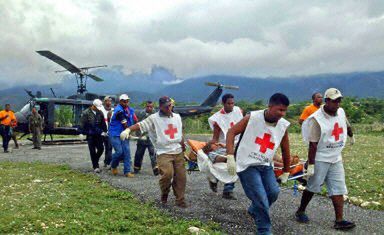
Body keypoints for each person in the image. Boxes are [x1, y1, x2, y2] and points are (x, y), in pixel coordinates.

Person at [226, 93, 292, 235]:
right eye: (279, 109)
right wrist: (230, 156)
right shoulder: (252, 118)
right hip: (247, 164)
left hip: (265, 164)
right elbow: (231, 133)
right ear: (270, 106)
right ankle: (264, 230)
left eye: (285, 110)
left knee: (273, 193)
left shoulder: (282, 126)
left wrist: (286, 171)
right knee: (260, 198)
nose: (282, 113)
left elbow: (286, 149)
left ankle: (254, 209)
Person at [296, 88, 356, 230]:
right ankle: (300, 210)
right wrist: (311, 165)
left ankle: (339, 220)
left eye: (339, 100)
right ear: (327, 101)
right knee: (313, 186)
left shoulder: (340, 112)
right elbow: (313, 144)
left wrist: (351, 135)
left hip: (336, 157)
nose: (337, 104)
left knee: (338, 187)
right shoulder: (317, 119)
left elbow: (345, 124)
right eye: (334, 101)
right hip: (321, 157)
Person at [120, 96, 187, 208]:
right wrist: (128, 129)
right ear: (160, 107)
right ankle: (165, 192)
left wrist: (183, 145)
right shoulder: (154, 118)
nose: (169, 108)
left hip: (177, 150)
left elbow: (180, 133)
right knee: (167, 174)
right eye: (166, 106)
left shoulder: (177, 117)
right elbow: (140, 125)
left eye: (170, 105)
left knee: (181, 177)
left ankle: (180, 200)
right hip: (163, 151)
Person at [208, 93, 243, 200]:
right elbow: (215, 138)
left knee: (237, 160)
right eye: (229, 103)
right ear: (223, 103)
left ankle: (225, 188)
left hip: (238, 144)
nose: (231, 105)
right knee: (230, 160)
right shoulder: (217, 119)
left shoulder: (238, 111)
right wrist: (209, 147)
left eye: (233, 103)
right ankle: (225, 187)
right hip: (223, 146)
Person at [109, 94, 137, 177]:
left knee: (127, 152)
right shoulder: (118, 110)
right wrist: (128, 131)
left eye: (127, 101)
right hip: (115, 133)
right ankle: (113, 165)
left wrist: (133, 131)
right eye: (124, 101)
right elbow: (124, 121)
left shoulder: (130, 110)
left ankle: (127, 171)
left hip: (125, 133)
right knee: (119, 152)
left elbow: (134, 120)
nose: (126, 103)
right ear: (120, 101)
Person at [80, 99, 107, 173]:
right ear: (93, 106)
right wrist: (81, 133)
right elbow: (83, 124)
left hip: (99, 135)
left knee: (101, 149)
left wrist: (105, 131)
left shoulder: (100, 113)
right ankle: (96, 166)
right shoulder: (86, 113)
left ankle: (95, 160)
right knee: (92, 151)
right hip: (90, 134)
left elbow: (103, 124)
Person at [133, 101, 159, 175]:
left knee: (153, 153)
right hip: (142, 136)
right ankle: (136, 168)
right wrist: (138, 135)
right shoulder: (140, 114)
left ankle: (155, 169)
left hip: (151, 137)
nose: (149, 108)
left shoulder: (156, 115)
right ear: (145, 106)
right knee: (139, 153)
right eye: (148, 106)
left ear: (153, 107)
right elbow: (137, 124)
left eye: (151, 107)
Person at [100, 96, 114, 169]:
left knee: (109, 147)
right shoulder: (101, 110)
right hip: (101, 131)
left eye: (110, 101)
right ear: (104, 102)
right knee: (101, 148)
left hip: (110, 132)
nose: (109, 102)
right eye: (107, 101)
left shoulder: (113, 110)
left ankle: (108, 162)